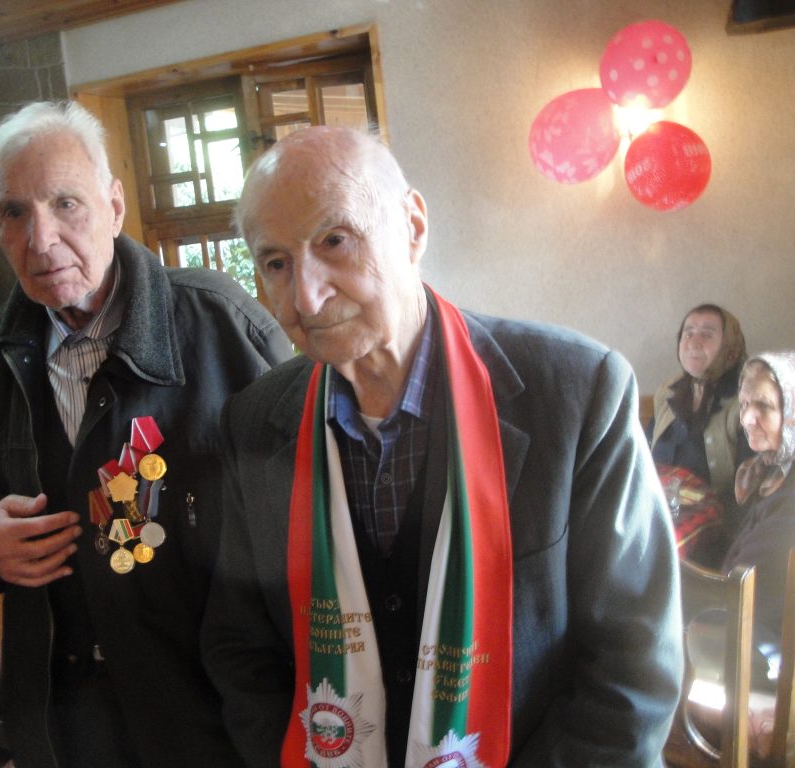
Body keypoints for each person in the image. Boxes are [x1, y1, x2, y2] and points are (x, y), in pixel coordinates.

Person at [200, 126, 682, 767]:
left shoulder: (576, 392)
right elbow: (240, 649)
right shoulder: (255, 422)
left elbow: (633, 667)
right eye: (276, 263)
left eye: (335, 240)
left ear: (413, 227)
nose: (306, 296)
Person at [0, 100, 292, 768]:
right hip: (67, 715)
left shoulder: (220, 321)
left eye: (65, 203)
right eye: (14, 212)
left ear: (115, 206)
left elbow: (308, 508)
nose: (40, 239)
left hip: (213, 711)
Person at [723, 352, 795, 668]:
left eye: (764, 406)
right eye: (744, 404)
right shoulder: (767, 470)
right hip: (751, 621)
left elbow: (746, 585)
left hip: (775, 652)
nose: (747, 419)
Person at [649, 304, 751, 502]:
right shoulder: (667, 390)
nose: (693, 343)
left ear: (730, 346)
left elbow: (748, 490)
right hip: (660, 506)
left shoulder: (746, 402)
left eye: (707, 334)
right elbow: (644, 451)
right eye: (688, 333)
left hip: (717, 514)